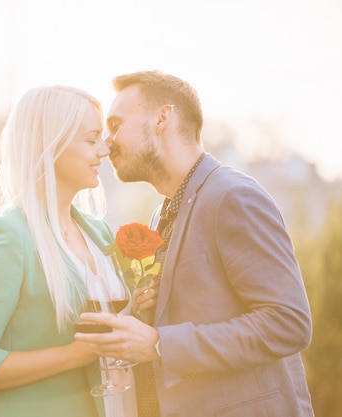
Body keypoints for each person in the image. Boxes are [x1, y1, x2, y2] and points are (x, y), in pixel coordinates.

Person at [75, 70, 314, 417]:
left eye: (116, 125)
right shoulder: (163, 213)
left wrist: (159, 344)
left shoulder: (233, 196)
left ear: (162, 118)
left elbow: (287, 322)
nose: (107, 141)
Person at [0, 85, 131, 417]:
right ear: (51, 146)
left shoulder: (98, 232)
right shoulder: (9, 236)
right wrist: (75, 354)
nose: (104, 150)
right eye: (91, 140)